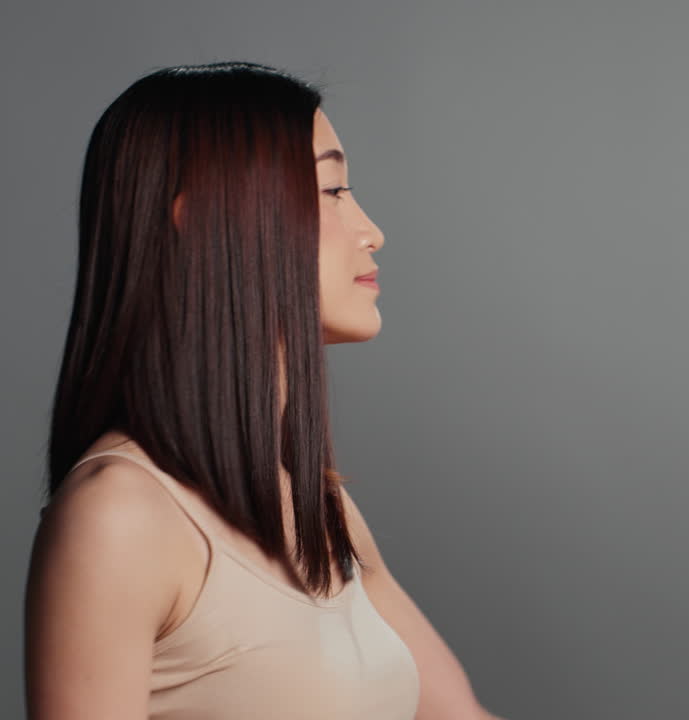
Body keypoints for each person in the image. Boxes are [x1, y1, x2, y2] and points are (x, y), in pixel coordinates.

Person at [25, 63, 500, 720]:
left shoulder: (318, 504)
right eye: (332, 190)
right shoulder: (119, 517)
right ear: (204, 219)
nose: (370, 230)